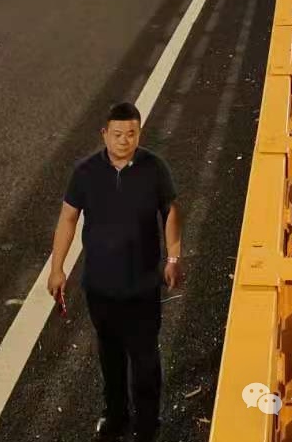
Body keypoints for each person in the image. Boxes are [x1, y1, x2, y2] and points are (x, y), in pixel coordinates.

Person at [48, 102, 182, 441]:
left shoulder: (155, 168)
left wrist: (173, 258)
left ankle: (147, 424)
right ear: (104, 134)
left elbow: (169, 211)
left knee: (145, 359)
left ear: (140, 134)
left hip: (142, 286)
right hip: (100, 287)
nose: (124, 140)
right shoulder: (85, 172)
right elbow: (68, 218)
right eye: (118, 134)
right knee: (110, 356)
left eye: (131, 134)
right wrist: (57, 268)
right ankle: (116, 415)